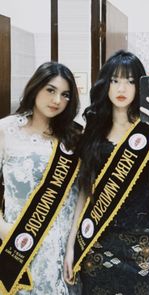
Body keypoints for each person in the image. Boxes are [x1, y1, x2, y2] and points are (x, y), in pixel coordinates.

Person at [63, 50, 149, 294]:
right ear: (105, 84)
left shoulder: (148, 131)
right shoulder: (92, 132)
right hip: (96, 246)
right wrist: (71, 247)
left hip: (140, 248)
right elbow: (85, 192)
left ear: (139, 86)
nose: (122, 88)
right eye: (115, 80)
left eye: (131, 81)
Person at [0, 61, 82, 295]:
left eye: (65, 94)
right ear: (35, 87)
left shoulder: (74, 137)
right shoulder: (6, 130)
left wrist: (71, 247)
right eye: (50, 90)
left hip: (60, 255)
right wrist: (4, 229)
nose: (57, 100)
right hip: (18, 246)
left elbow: (80, 195)